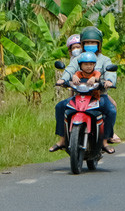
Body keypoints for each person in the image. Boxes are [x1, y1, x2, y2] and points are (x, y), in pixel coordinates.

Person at [48, 26, 118, 154]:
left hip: (99, 96)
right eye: (87, 43)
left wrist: (109, 81)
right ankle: (62, 139)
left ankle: (104, 141)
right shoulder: (78, 58)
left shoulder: (104, 59)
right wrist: (63, 80)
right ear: (82, 44)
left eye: (93, 43)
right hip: (79, 95)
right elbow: (69, 69)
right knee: (60, 106)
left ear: (99, 44)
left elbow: (110, 72)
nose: (90, 45)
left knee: (111, 110)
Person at [70, 52, 111, 151]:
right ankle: (65, 139)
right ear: (80, 65)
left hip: (94, 99)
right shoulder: (78, 73)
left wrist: (94, 79)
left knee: (110, 111)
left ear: (94, 65)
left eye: (91, 64)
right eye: (86, 64)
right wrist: (73, 78)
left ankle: (105, 141)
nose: (89, 66)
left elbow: (97, 76)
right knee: (65, 109)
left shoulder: (95, 73)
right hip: (80, 99)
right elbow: (74, 76)